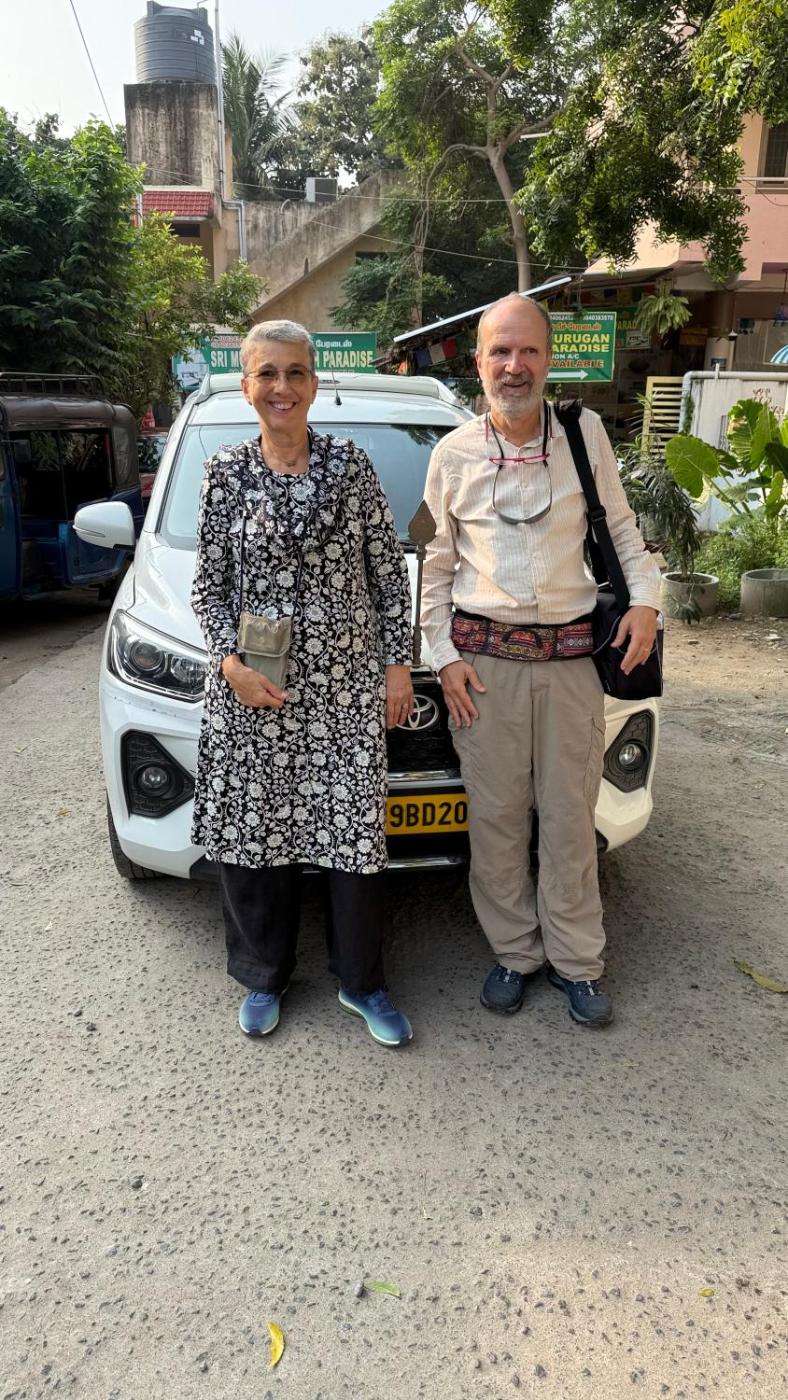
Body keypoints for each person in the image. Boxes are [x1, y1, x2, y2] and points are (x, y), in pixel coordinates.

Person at [421, 293, 661, 1026]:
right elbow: (433, 566)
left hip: (571, 663)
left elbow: (623, 531)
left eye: (528, 350)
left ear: (550, 360)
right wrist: (441, 656)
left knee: (569, 821)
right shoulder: (451, 455)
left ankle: (577, 961)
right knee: (496, 822)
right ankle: (515, 953)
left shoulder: (585, 436)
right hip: (483, 670)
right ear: (479, 362)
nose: (514, 366)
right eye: (500, 351)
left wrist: (648, 603)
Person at [190, 319, 415, 1047]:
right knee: (256, 836)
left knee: (353, 839)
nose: (281, 387)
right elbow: (209, 588)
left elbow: (388, 576)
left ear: (314, 384)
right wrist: (229, 664)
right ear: (247, 386)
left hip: (344, 694)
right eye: (267, 373)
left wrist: (397, 665)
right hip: (255, 692)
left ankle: (362, 982)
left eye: (295, 373)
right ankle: (264, 975)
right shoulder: (225, 474)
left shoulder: (351, 466)